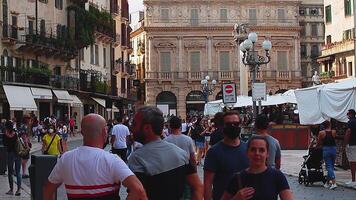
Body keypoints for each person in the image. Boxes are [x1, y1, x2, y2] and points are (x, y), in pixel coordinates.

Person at [43, 114, 147, 200]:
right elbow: (138, 190)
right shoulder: (112, 160)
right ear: (105, 132)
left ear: (82, 132)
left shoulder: (65, 159)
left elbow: (48, 189)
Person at [128, 106, 203, 200]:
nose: (131, 128)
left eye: (134, 124)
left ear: (147, 128)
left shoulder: (137, 158)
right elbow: (197, 187)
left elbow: (137, 195)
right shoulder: (181, 153)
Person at [220, 135, 293, 200]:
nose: (257, 153)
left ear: (267, 154)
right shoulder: (238, 178)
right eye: (253, 150)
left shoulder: (277, 176)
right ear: (247, 152)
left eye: (261, 150)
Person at [204, 111, 249, 200]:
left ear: (240, 125)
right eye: (228, 124)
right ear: (223, 126)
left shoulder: (249, 148)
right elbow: (208, 183)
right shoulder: (214, 152)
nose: (232, 127)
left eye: (235, 124)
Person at [317, 120, 337, 189]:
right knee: (331, 166)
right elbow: (333, 138)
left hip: (326, 149)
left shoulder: (321, 133)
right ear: (330, 125)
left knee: (328, 167)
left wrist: (316, 146)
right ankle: (327, 182)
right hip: (333, 149)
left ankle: (334, 182)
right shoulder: (334, 132)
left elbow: (318, 142)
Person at [3, 120, 22, 196]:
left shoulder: (5, 135)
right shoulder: (16, 134)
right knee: (18, 172)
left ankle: (11, 190)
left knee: (10, 173)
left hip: (10, 154)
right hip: (18, 154)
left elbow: (4, 144)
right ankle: (19, 189)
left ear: (7, 127)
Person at [344, 109, 356, 187]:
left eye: (348, 113)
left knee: (352, 162)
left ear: (350, 114)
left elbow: (348, 132)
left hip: (352, 144)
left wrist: (345, 143)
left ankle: (353, 180)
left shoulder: (350, 122)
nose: (347, 115)